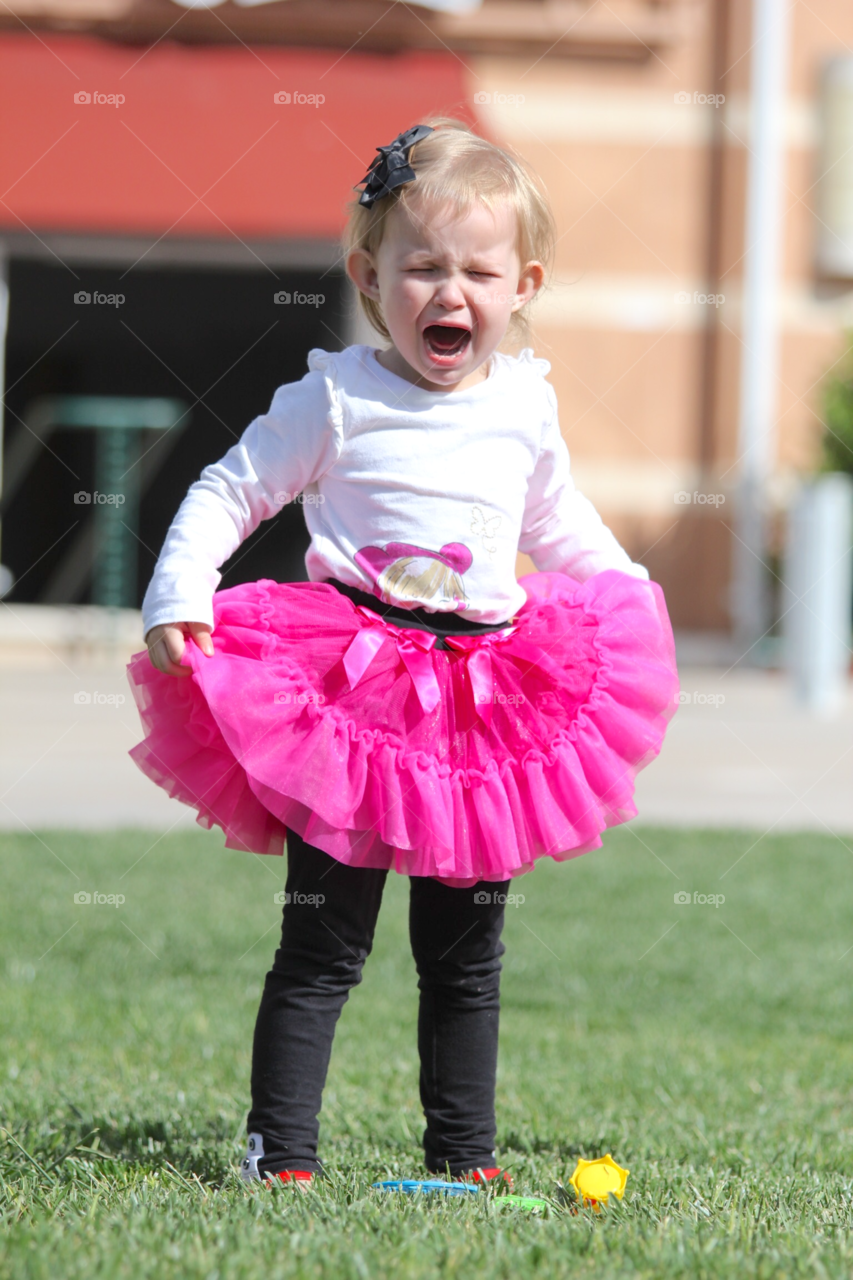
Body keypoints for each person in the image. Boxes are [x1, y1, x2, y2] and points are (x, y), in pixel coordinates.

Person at [127, 118, 678, 1188]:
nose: (448, 292)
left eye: (476, 270)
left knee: (466, 954)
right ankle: (278, 1153)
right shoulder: (336, 395)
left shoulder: (524, 400)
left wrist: (628, 597)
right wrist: (178, 587)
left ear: (521, 285)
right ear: (368, 276)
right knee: (324, 942)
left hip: (484, 705)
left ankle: (463, 1157)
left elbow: (558, 522)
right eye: (421, 265)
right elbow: (229, 487)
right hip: (354, 697)